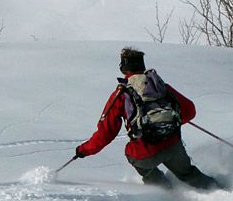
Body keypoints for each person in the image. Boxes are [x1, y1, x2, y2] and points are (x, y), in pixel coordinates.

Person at [74, 47, 221, 191]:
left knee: (130, 152)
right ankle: (223, 192)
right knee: (188, 174)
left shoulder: (121, 95)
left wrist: (83, 150)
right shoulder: (162, 87)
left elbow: (106, 133)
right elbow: (190, 111)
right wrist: (167, 121)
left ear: (123, 68)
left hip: (145, 152)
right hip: (173, 145)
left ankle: (162, 190)